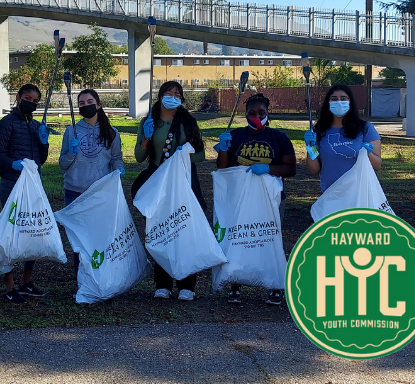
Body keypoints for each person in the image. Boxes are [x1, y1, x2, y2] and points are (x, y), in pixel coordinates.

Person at [216, 93, 296, 305]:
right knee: (240, 238)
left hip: (271, 199)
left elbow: (290, 168)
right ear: (245, 114)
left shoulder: (279, 138)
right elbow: (223, 168)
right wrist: (223, 149)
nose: (257, 116)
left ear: (268, 114)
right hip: (240, 198)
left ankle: (276, 285)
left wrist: (268, 168)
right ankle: (235, 282)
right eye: (252, 113)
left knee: (270, 239)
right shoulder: (235, 136)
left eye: (261, 113)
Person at [132, 80, 207, 302]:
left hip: (184, 182)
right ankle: (162, 283)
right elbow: (138, 157)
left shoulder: (188, 122)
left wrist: (184, 155)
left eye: (177, 93)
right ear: (160, 95)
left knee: (184, 230)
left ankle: (187, 284)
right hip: (158, 182)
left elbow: (201, 156)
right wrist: (146, 138)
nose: (173, 96)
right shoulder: (149, 121)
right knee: (161, 230)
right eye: (169, 92)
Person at [58, 89, 124, 290]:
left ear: (98, 104)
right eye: (81, 102)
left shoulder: (111, 133)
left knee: (99, 238)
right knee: (79, 241)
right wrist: (70, 153)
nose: (85, 105)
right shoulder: (71, 131)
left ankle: (101, 278)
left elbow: (116, 158)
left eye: (89, 101)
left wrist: (119, 169)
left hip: (100, 194)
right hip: (75, 192)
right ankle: (82, 282)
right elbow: (62, 164)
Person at [0, 84, 49, 304]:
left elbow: (41, 159)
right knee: (10, 233)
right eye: (28, 98)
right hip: (11, 184)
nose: (31, 103)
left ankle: (26, 283)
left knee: (32, 232)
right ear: (18, 97)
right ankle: (9, 286)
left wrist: (44, 142)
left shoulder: (37, 126)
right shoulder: (6, 124)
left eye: (36, 101)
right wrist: (14, 165)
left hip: (33, 187)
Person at [304, 85, 382, 193]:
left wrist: (368, 153)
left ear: (350, 102)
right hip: (331, 194)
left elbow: (377, 165)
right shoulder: (320, 130)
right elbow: (314, 169)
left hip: (360, 194)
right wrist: (310, 147)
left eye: (343, 99)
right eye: (334, 99)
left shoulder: (365, 128)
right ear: (328, 102)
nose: (339, 102)